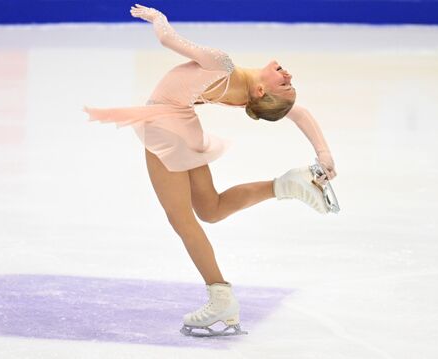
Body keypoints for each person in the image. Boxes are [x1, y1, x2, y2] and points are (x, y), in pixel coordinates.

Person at [83, 4, 337, 337]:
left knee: (181, 218)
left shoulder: (221, 63)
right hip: (183, 124)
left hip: (165, 126)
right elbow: (299, 113)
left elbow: (167, 38)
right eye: (288, 82)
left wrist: (157, 18)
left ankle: (220, 297)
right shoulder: (244, 93)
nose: (288, 76)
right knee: (210, 209)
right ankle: (287, 186)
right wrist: (324, 154)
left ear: (262, 91)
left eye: (284, 84)